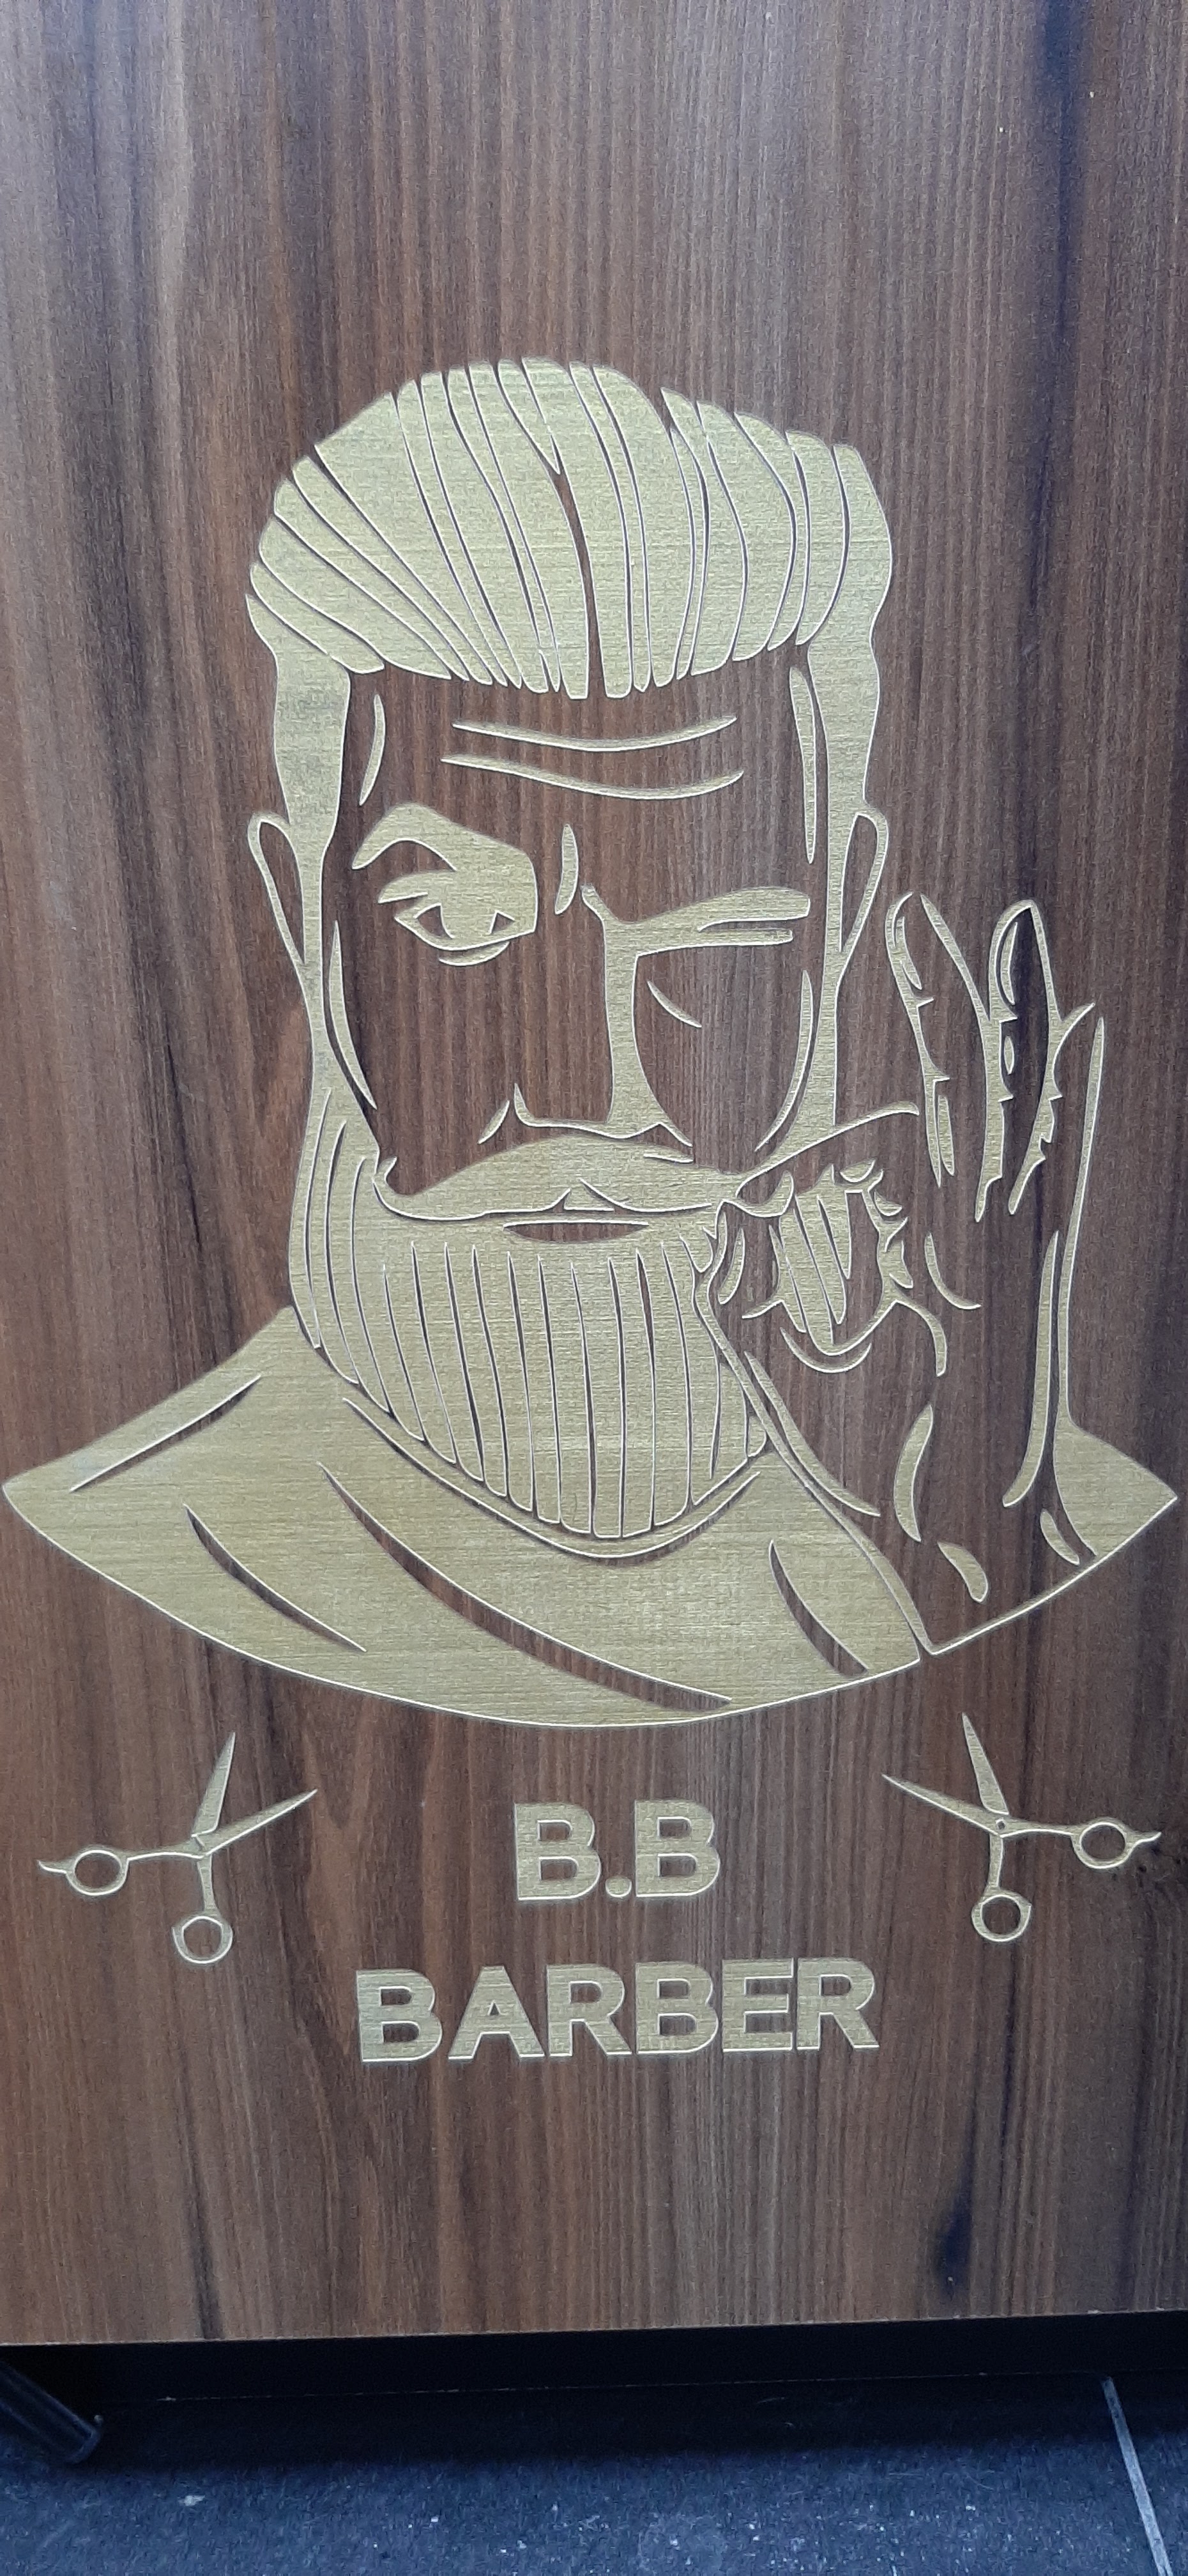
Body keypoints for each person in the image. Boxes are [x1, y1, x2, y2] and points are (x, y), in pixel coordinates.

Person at [5, 362, 1172, 1725]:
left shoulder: (1054, 1539)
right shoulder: (102, 1579)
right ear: (301, 926)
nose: (581, 1099)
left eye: (715, 936)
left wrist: (971, 1563)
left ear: (845, 926)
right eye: (456, 924)